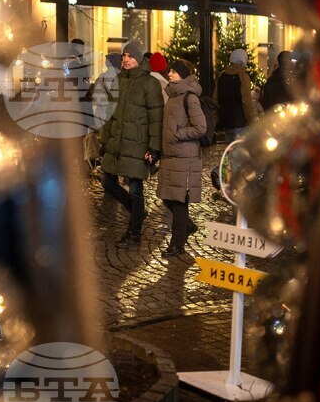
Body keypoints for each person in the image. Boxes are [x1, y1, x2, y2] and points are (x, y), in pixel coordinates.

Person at [99, 39, 163, 247]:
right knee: (108, 182)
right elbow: (109, 115)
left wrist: (154, 148)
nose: (125, 59)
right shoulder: (117, 80)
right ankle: (139, 213)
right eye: (124, 56)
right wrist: (105, 140)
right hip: (117, 143)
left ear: (139, 58)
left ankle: (134, 233)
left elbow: (156, 119)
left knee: (136, 189)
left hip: (138, 145)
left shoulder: (150, 83)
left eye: (130, 56)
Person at [156, 59, 204, 257]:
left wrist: (178, 135)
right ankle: (188, 227)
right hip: (170, 156)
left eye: (174, 72)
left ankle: (177, 244)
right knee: (168, 197)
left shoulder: (189, 98)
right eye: (170, 71)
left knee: (179, 201)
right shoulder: (172, 96)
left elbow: (201, 128)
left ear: (183, 75)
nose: (169, 74)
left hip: (185, 157)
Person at [215, 48, 256, 143]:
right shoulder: (243, 76)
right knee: (240, 154)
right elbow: (246, 102)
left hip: (226, 122)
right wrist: (251, 120)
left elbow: (216, 98)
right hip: (241, 123)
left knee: (229, 152)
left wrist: (218, 119)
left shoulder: (222, 75)